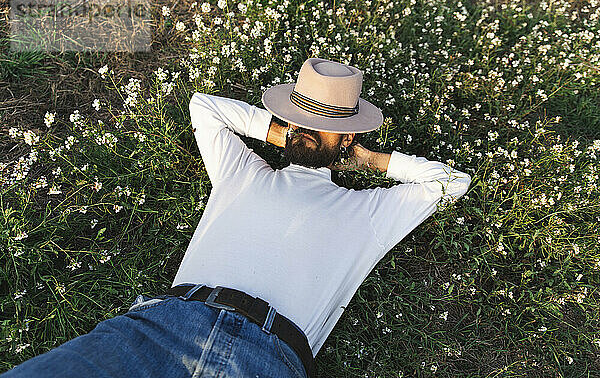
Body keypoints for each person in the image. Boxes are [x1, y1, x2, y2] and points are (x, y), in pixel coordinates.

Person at [2, 58, 471, 378]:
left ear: (346, 138)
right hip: (161, 329)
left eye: (321, 125)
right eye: (298, 116)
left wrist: (369, 162)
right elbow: (203, 107)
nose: (304, 129)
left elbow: (450, 183)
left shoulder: (369, 213)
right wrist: (275, 130)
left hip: (265, 356)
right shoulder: (242, 172)